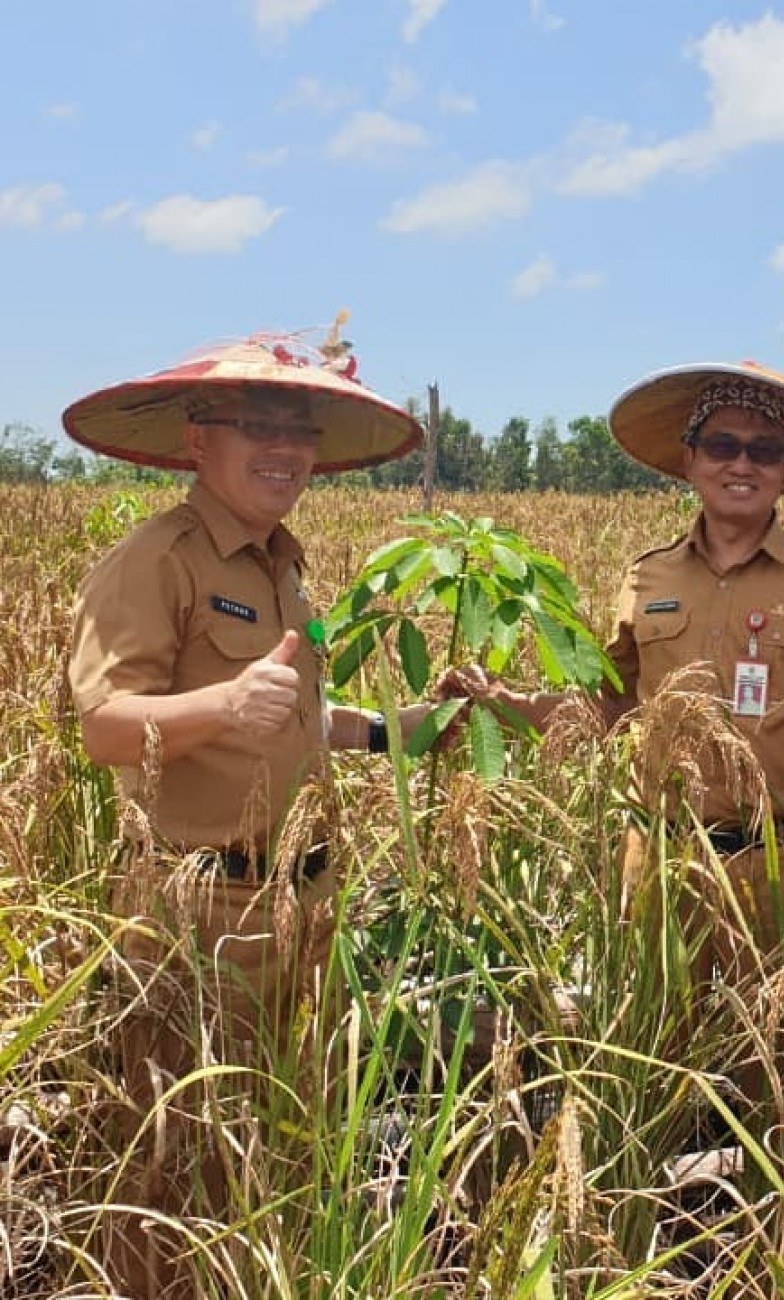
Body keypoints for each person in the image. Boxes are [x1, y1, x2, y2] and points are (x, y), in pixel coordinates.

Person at [63, 324, 431, 1299]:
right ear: (198, 440)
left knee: (280, 1151)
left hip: (301, 904)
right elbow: (103, 724)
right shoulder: (157, 561)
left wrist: (404, 733)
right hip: (199, 917)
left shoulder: (285, 566)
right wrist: (222, 703)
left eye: (299, 427)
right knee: (177, 1169)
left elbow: (294, 720)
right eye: (256, 423)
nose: (284, 447)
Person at [454, 360, 784, 1040]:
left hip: (783, 867)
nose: (741, 465)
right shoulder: (646, 575)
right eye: (723, 445)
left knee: (774, 1058)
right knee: (656, 1047)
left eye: (764, 450)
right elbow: (609, 709)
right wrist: (506, 703)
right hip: (663, 857)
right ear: (691, 459)